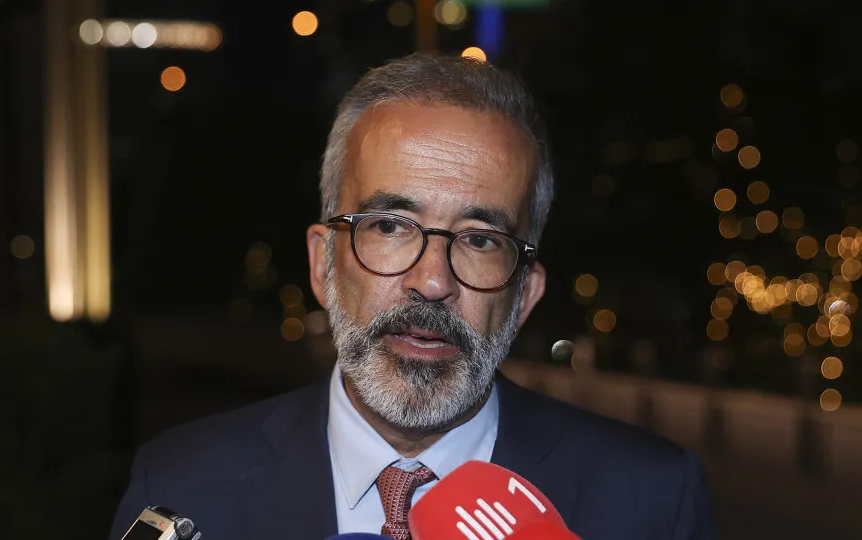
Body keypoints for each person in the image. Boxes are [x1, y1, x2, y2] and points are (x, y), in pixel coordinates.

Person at [109, 53, 716, 540]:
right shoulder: (183, 486)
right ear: (322, 264)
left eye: (479, 239)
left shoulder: (650, 501)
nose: (432, 281)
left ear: (525, 295)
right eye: (390, 226)